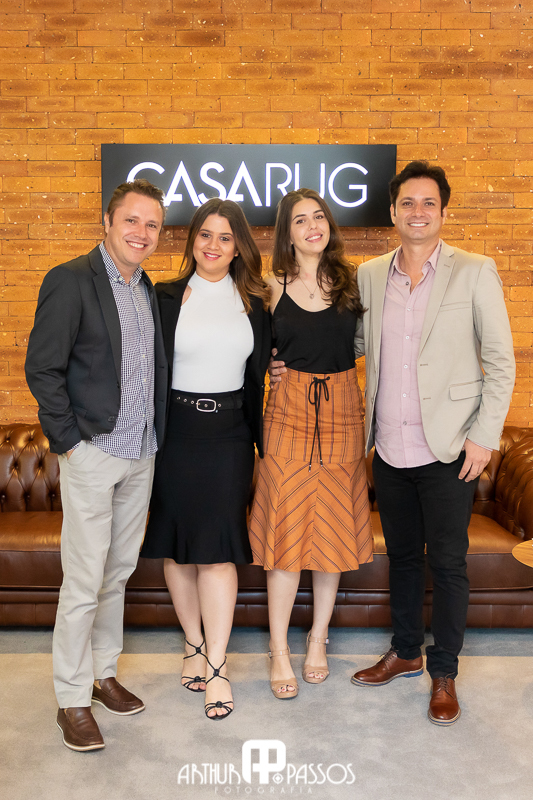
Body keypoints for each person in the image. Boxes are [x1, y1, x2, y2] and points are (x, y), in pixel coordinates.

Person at [272, 161, 516, 724]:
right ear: (392, 211)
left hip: (450, 446)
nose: (417, 212)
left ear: (443, 212)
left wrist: (484, 438)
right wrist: (284, 362)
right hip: (386, 444)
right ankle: (406, 652)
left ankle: (444, 672)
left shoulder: (475, 271)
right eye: (407, 203)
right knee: (403, 558)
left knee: (448, 563)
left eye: (428, 203)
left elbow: (500, 362)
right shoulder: (370, 274)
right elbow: (348, 340)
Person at [25, 179, 168, 751]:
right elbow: (43, 368)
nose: (141, 232)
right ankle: (71, 698)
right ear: (107, 223)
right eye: (131, 220)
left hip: (142, 453)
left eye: (152, 224)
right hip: (92, 453)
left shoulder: (146, 288)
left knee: (118, 572)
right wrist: (70, 444)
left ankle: (103, 673)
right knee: (84, 579)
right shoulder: (71, 279)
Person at [139, 198, 271, 721]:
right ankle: (192, 643)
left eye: (225, 237)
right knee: (177, 549)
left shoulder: (256, 302)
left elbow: (268, 366)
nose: (213, 245)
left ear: (238, 247)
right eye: (205, 235)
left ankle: (217, 665)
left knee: (217, 552)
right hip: (175, 433)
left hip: (231, 436)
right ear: (192, 240)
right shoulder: (164, 296)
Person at [249, 188, 373, 701]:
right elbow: (251, 351)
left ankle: (317, 638)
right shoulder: (267, 288)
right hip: (287, 410)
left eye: (318, 217)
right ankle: (278, 648)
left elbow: (370, 343)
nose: (312, 226)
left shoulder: (354, 281)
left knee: (332, 533)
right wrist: (269, 366)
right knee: (285, 531)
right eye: (300, 220)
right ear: (287, 233)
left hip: (343, 407)